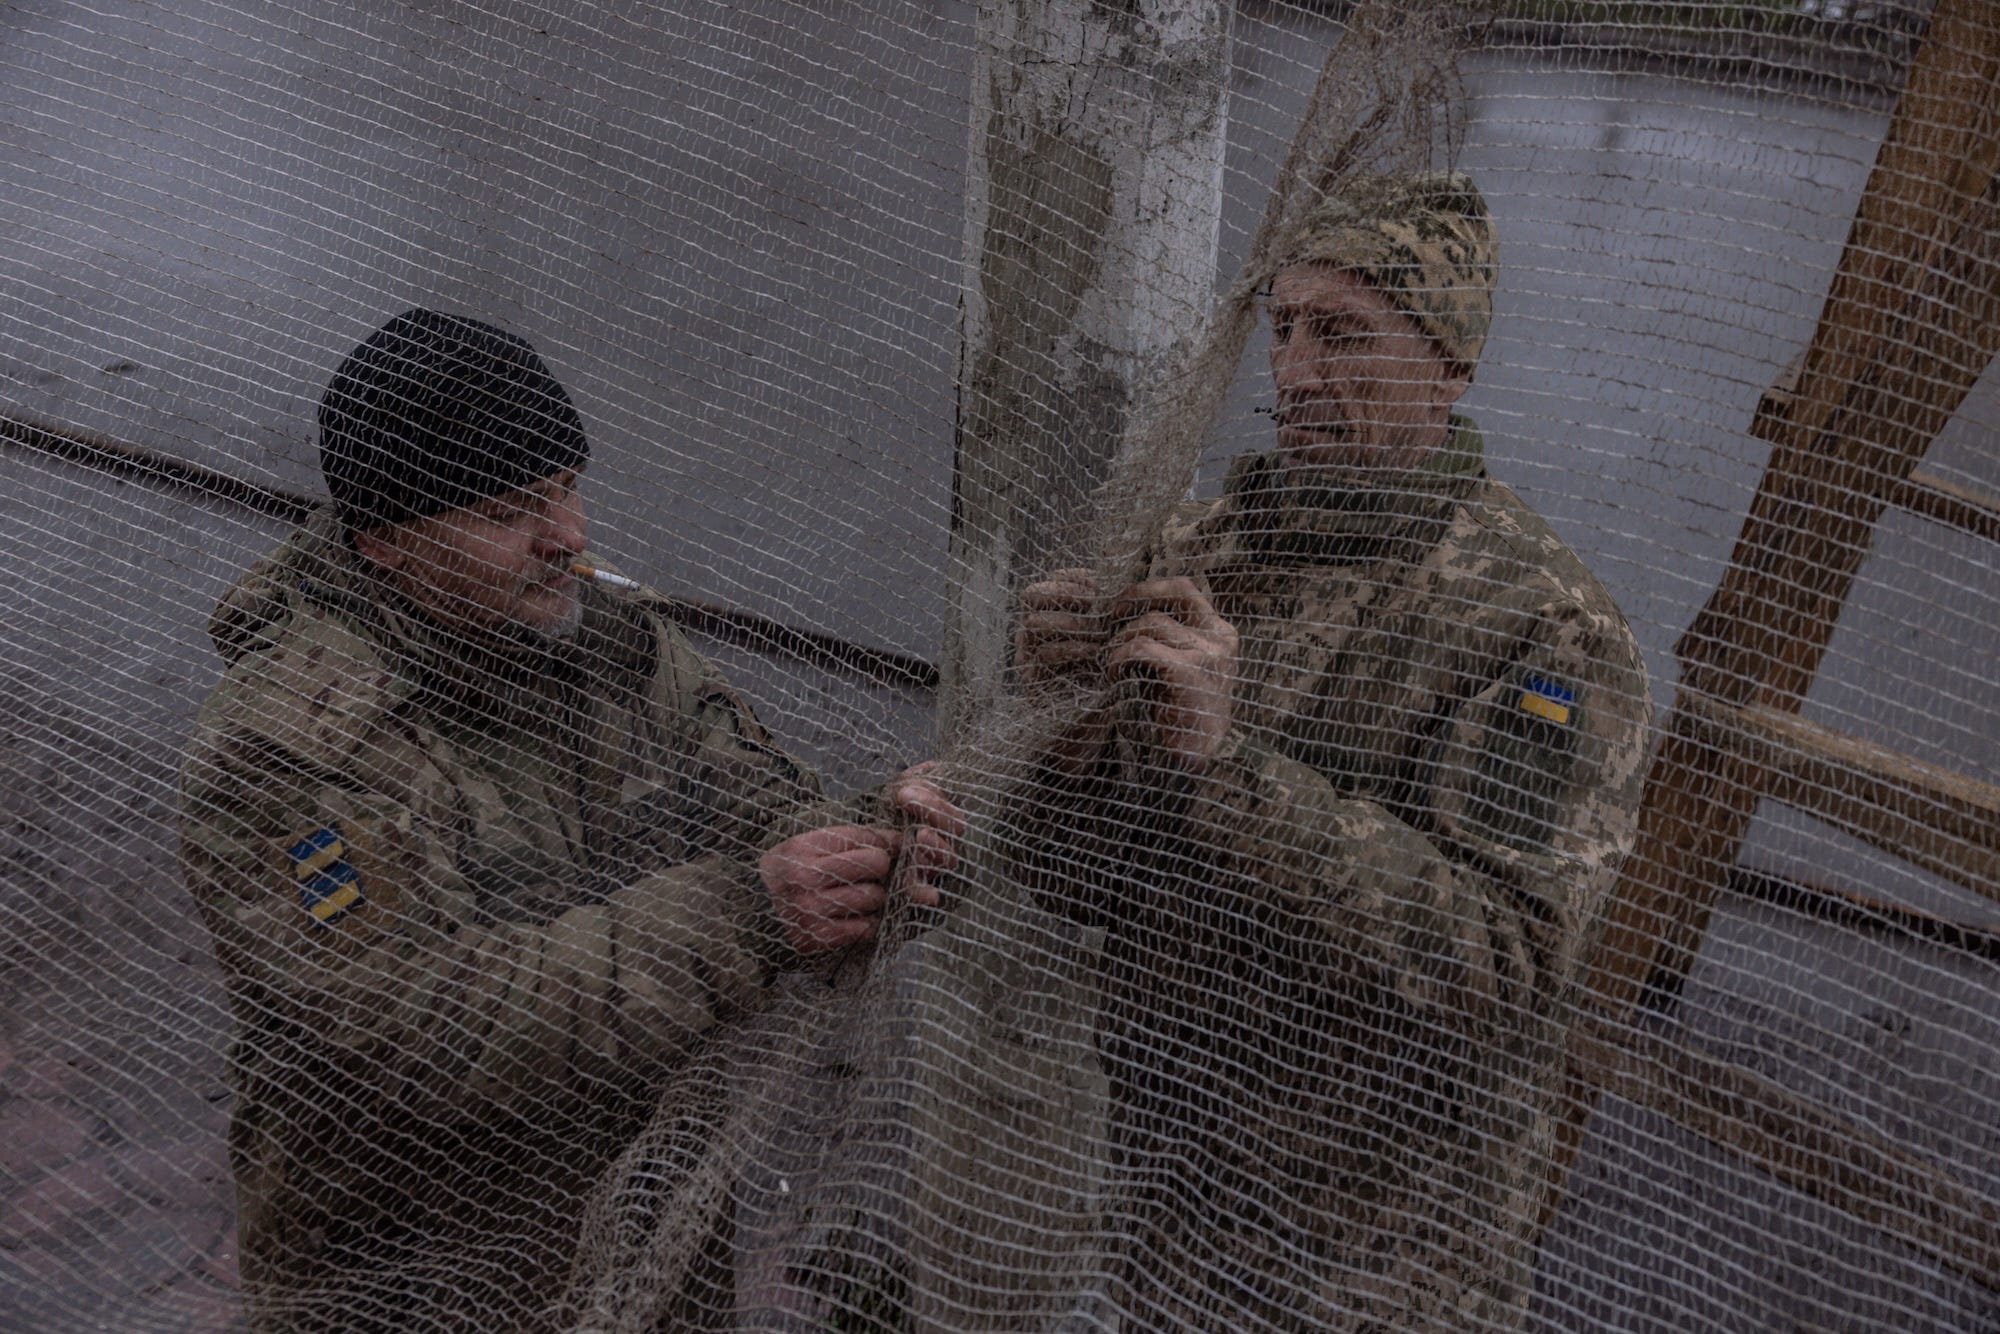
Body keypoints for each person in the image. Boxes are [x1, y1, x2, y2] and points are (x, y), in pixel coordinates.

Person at [177, 309, 956, 1332]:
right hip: (410, 1283)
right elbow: (412, 1025)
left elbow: (767, 824)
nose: (571, 538)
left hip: (645, 1241)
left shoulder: (617, 651)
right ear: (385, 542)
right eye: (511, 511)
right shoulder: (289, 749)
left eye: (569, 487)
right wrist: (745, 915)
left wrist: (890, 833)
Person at [1013, 173, 1651, 1329]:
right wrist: (1061, 736)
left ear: (1448, 365)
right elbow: (1078, 886)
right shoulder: (1205, 552)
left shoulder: (1541, 628)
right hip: (1174, 1207)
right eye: (1284, 330)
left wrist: (1228, 767)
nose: (1294, 375)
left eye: (1344, 334)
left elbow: (1503, 959)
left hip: (1380, 1258)